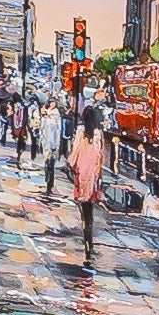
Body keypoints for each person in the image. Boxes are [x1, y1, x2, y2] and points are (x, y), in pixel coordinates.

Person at [72, 103, 105, 264]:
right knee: (90, 214)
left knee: (84, 213)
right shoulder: (99, 135)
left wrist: (71, 166)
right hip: (93, 176)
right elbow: (101, 158)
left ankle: (87, 244)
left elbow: (74, 154)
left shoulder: (80, 132)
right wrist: (99, 176)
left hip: (81, 175)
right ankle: (89, 245)